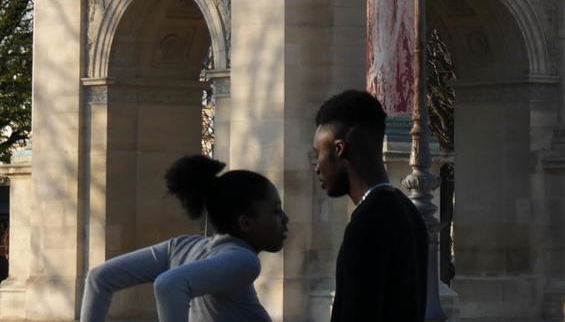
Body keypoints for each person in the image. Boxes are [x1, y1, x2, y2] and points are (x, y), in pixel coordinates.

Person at [79, 154, 288, 322]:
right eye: (276, 211)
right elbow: (168, 284)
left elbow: (100, 278)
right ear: (245, 223)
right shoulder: (245, 261)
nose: (285, 219)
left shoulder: (182, 248)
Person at [313, 89, 427, 322]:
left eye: (318, 154)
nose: (317, 167)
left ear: (339, 149)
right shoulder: (408, 210)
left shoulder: (365, 224)